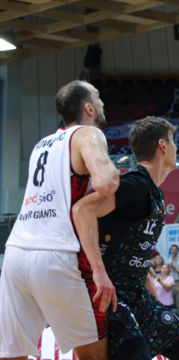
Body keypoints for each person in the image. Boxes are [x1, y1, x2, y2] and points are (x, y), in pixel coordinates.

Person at [0, 80, 119, 360]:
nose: (102, 103)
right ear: (89, 107)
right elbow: (106, 183)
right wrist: (116, 175)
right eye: (98, 98)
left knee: (10, 355)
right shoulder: (88, 134)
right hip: (57, 255)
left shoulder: (41, 145)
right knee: (92, 355)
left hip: (15, 255)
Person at [76, 117, 179, 359]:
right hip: (112, 298)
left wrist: (152, 295)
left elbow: (134, 251)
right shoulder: (135, 184)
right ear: (162, 146)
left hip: (140, 297)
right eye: (173, 141)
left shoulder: (152, 190)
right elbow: (83, 211)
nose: (176, 147)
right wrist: (98, 271)